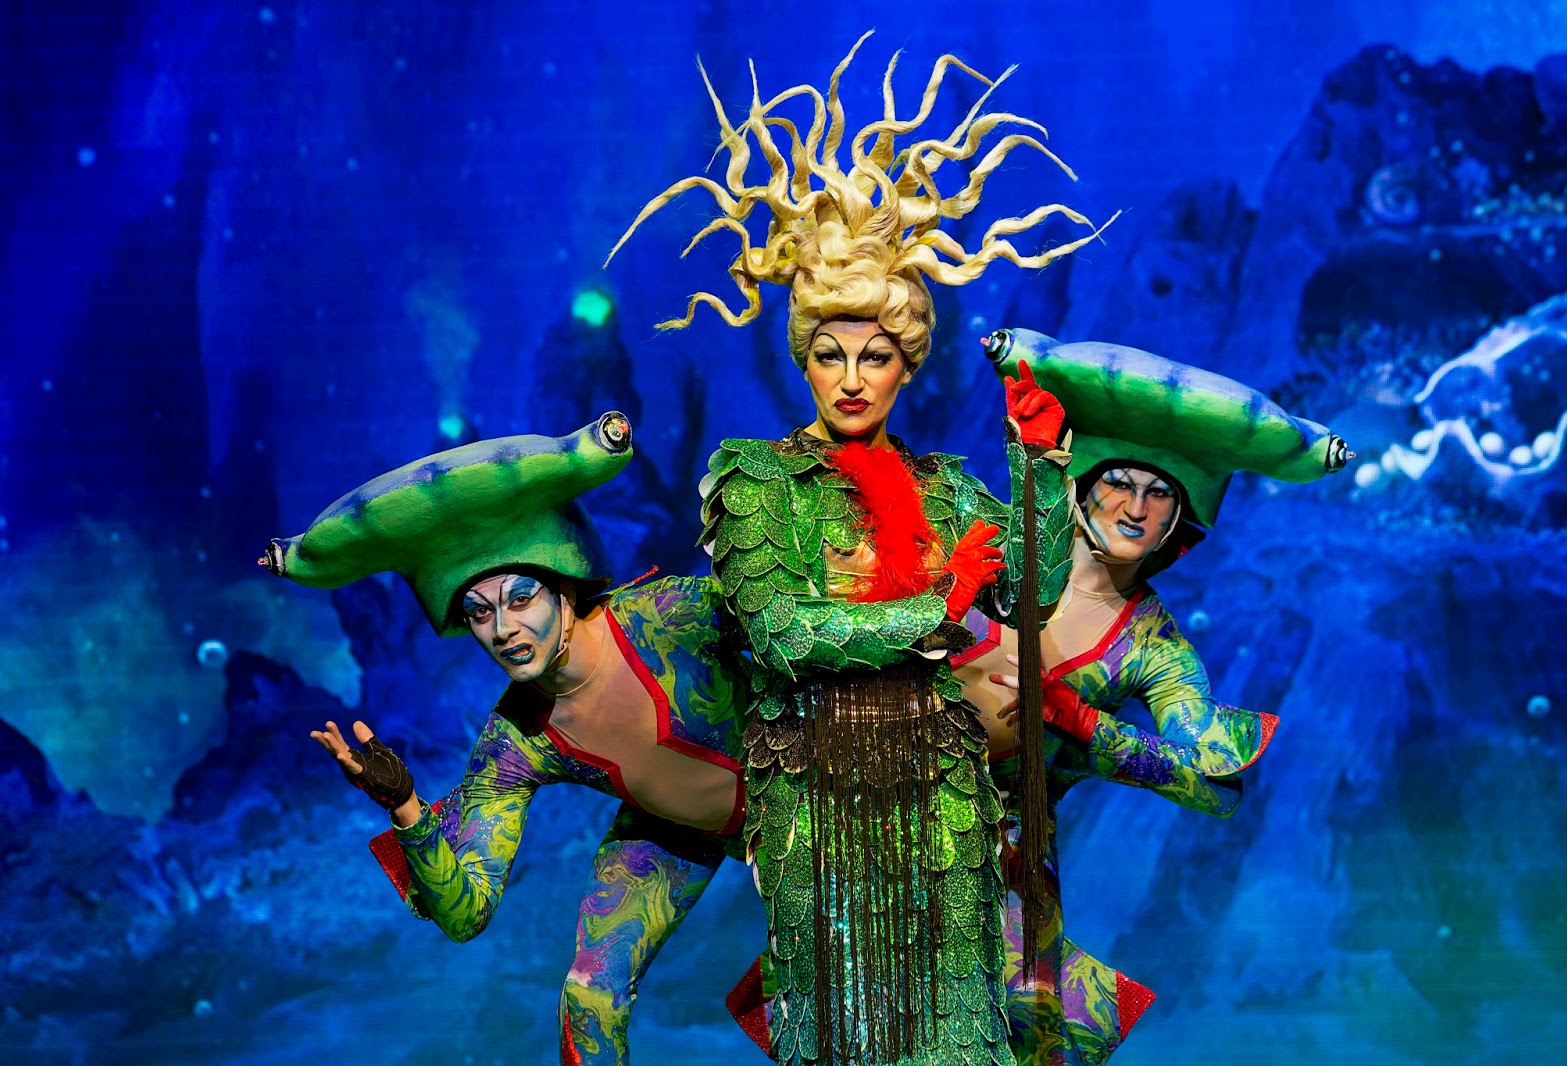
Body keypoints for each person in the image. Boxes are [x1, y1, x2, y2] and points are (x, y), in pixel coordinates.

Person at [605, 35, 1100, 1066]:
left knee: (959, 1034)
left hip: (942, 796)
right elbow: (782, 631)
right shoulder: (757, 479)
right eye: (829, 352)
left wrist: (1045, 470)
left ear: (906, 364)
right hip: (816, 803)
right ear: (804, 357)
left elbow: (1030, 596)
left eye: (876, 354)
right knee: (840, 1034)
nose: (852, 376)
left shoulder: (947, 488)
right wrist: (931, 611)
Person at [261, 413, 749, 1065]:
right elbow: (465, 914)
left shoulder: (669, 617)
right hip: (675, 830)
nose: (502, 629)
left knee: (838, 986)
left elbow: (802, 627)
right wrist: (405, 806)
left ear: (566, 587)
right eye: (479, 611)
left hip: (819, 797)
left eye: (521, 598)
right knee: (589, 998)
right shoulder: (515, 737)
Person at [953, 329, 1351, 1065]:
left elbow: (1216, 789)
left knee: (1020, 1030)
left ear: (1180, 521)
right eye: (1119, 482)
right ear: (1081, 486)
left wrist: (1078, 726)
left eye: (1160, 492)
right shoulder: (986, 547)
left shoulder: (1155, 647)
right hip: (864, 801)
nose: (1135, 507)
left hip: (1002, 857)